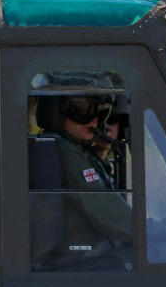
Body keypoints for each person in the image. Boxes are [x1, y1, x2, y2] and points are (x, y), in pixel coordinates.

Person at [38, 95, 133, 267]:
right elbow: (104, 210)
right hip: (81, 257)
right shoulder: (66, 153)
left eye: (99, 111)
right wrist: (151, 230)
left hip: (84, 252)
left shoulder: (70, 147)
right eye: (83, 110)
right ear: (58, 112)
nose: (96, 119)